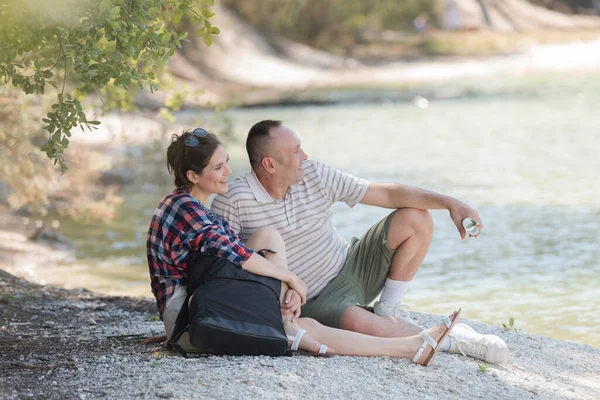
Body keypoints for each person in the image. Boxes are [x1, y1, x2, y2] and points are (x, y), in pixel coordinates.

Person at [146, 128, 462, 365]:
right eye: (218, 168)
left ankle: (404, 345)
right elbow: (233, 255)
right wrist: (292, 279)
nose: (228, 171)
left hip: (201, 310)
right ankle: (410, 347)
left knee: (270, 241)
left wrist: (285, 286)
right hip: (198, 320)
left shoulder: (190, 205)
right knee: (307, 323)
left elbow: (221, 259)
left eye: (226, 162)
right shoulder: (184, 208)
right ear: (193, 175)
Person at [211, 120, 509, 364]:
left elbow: (388, 194)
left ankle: (387, 309)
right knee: (359, 323)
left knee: (416, 217)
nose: (305, 157)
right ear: (270, 164)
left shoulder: (313, 174)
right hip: (314, 298)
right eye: (296, 151)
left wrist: (449, 203)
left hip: (351, 263)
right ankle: (457, 340)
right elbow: (226, 267)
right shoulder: (233, 200)